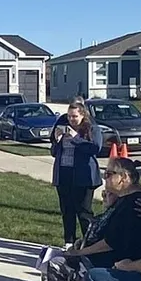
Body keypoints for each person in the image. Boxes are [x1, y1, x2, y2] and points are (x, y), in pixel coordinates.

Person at [52, 101, 104, 245]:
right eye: (69, 116)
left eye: (74, 116)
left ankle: (89, 243)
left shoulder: (92, 129)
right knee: (67, 211)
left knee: (83, 212)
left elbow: (95, 148)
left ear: (82, 115)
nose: (71, 119)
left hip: (83, 177)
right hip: (63, 176)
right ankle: (69, 242)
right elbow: (54, 152)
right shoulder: (63, 129)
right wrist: (57, 141)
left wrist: (76, 138)